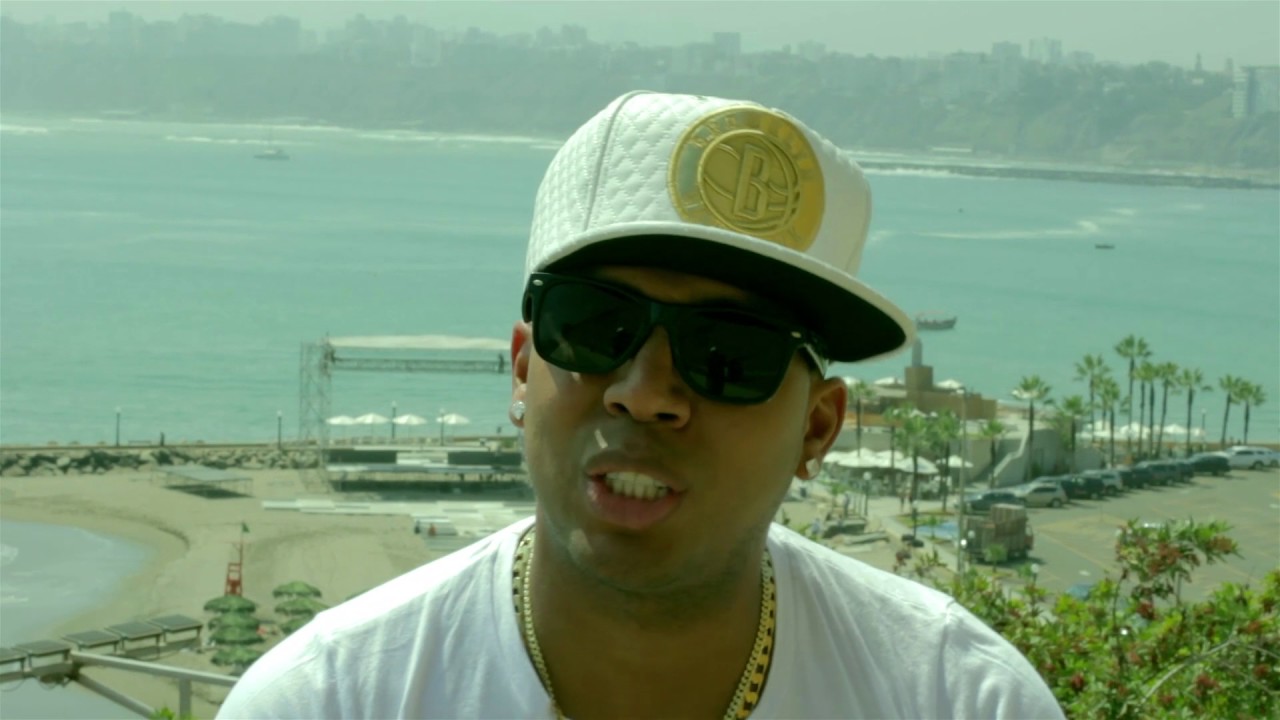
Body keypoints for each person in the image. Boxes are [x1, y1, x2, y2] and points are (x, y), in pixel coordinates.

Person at [217, 91, 1064, 718]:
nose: (646, 394)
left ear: (818, 428)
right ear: (522, 371)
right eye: (594, 326)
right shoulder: (328, 700)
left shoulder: (957, 698)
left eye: (729, 354)